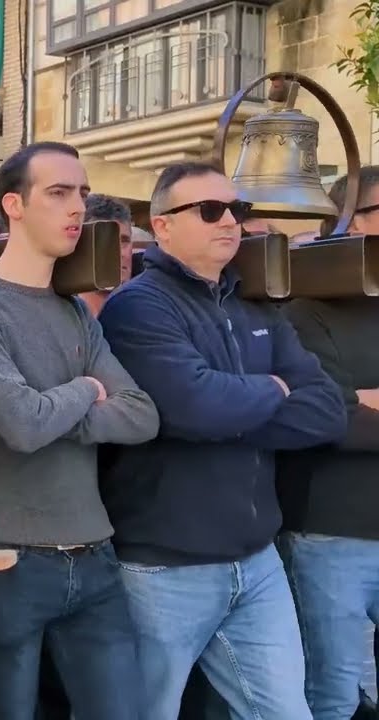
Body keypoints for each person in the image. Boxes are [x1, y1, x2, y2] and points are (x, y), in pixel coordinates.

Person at [99, 161, 348, 720]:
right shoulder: (138, 306)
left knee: (287, 713)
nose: (229, 221)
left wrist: (234, 403)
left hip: (257, 561)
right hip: (166, 568)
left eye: (238, 209)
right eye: (209, 210)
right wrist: (274, 391)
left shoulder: (251, 301)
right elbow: (193, 407)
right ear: (161, 226)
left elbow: (328, 411)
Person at [0, 143, 159, 719]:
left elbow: (141, 415)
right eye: (58, 193)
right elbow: (22, 425)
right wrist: (85, 389)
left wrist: (40, 411)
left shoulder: (74, 311)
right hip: (3, 557)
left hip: (94, 551)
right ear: (13, 204)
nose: (76, 208)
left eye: (81, 193)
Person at [276, 167, 379, 720]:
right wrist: (352, 405)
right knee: (333, 695)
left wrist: (364, 400)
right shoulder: (304, 310)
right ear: (342, 222)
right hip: (329, 535)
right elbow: (327, 419)